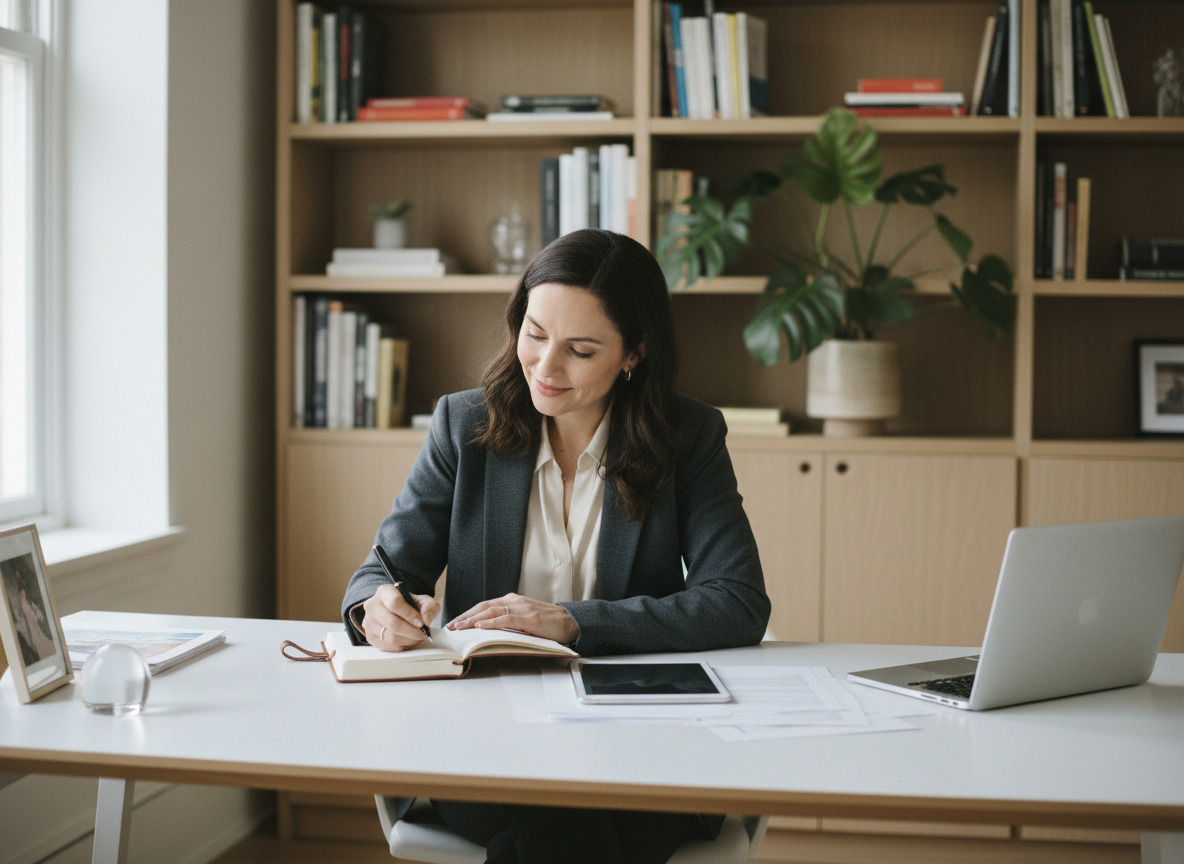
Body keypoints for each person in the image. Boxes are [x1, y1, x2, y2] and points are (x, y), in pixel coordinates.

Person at [341, 228, 771, 864]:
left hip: (640, 741)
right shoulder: (464, 427)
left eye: (580, 350)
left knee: (546, 829)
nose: (544, 367)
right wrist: (376, 610)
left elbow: (736, 601)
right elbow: (377, 576)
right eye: (535, 334)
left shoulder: (687, 437)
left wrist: (574, 621)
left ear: (634, 352)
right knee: (562, 813)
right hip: (486, 741)